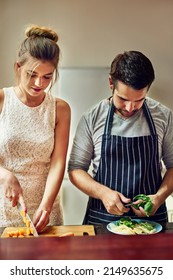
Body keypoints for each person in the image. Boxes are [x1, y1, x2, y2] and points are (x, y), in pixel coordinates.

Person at [68, 50, 173, 226]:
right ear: (111, 83)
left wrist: (159, 197)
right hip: (102, 218)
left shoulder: (163, 116)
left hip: (151, 221)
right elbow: (76, 170)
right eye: (123, 99)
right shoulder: (92, 118)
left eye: (139, 100)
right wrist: (103, 193)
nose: (130, 107)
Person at [0, 24, 71, 232]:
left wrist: (47, 206)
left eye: (47, 76)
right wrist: (5, 175)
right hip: (4, 207)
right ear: (18, 67)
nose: (39, 83)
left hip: (45, 209)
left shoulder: (60, 109)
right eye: (32, 74)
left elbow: (58, 163)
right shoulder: (2, 100)